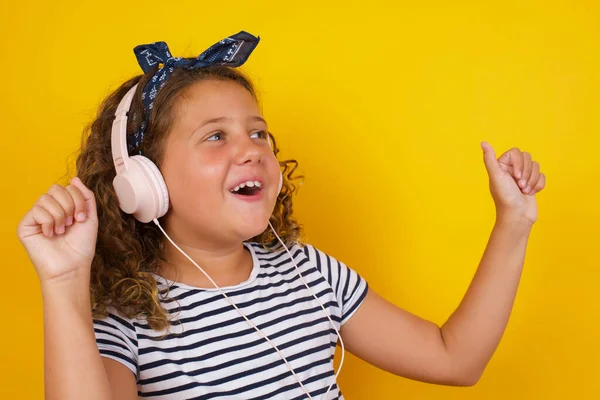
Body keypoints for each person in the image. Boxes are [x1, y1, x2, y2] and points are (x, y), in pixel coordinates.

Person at [17, 31, 546, 400]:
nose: (250, 149)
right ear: (142, 183)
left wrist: (513, 221)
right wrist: (64, 284)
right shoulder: (124, 319)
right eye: (215, 136)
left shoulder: (309, 272)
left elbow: (455, 360)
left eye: (258, 132)